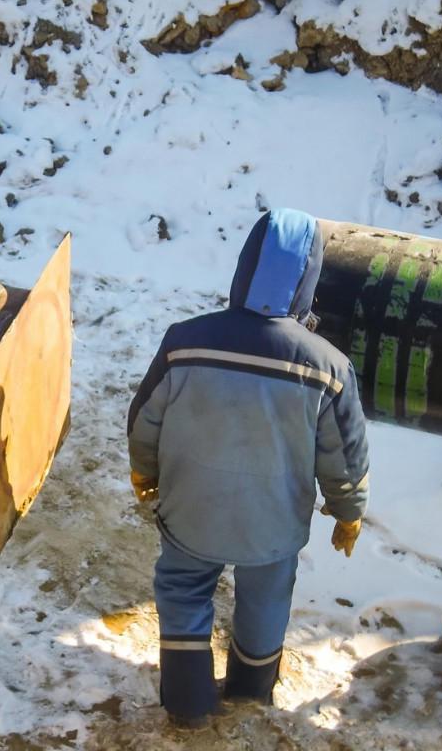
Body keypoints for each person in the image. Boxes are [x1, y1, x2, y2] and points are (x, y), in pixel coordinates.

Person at [126, 208, 370, 728]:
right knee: (265, 600)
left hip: (192, 511)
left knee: (183, 592)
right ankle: (250, 691)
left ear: (243, 268)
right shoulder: (329, 367)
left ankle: (189, 705)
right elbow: (344, 455)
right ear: (308, 282)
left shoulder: (183, 340)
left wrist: (144, 472)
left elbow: (145, 420)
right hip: (273, 524)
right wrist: (349, 511)